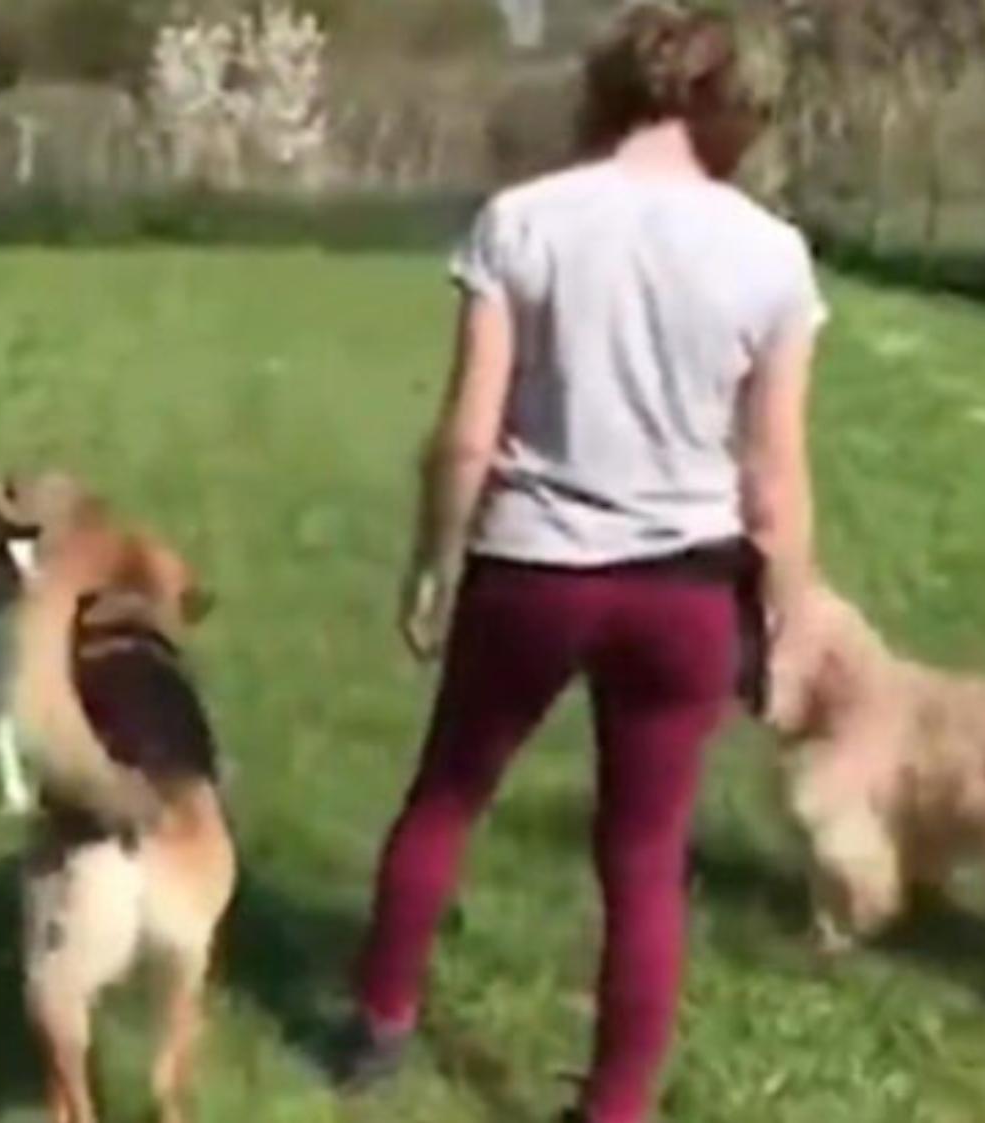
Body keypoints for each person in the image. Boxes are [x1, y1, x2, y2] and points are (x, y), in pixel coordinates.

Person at [331, 5, 823, 1121]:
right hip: (687, 592)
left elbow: (466, 431)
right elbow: (777, 480)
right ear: (729, 108)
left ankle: (376, 1024)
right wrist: (782, 629)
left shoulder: (524, 222)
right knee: (645, 856)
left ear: (605, 90)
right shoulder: (771, 254)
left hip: (532, 573)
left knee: (448, 795)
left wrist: (430, 565)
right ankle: (614, 1108)